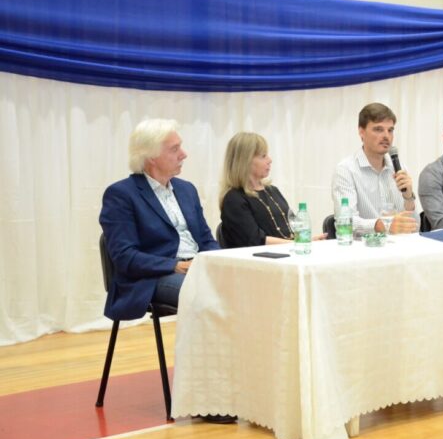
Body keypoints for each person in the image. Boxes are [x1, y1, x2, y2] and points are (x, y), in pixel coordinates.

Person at [99, 119, 219, 320]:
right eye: (175, 149)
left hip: (196, 267)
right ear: (151, 156)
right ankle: (201, 352)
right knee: (207, 296)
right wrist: (174, 265)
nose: (184, 154)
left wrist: (221, 262)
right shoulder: (121, 195)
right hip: (154, 277)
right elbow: (125, 256)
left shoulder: (186, 190)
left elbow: (206, 240)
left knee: (247, 287)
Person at [219, 132, 326, 248]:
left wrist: (308, 240)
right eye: (263, 156)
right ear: (245, 161)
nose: (270, 160)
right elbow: (255, 240)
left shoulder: (272, 191)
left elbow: (292, 228)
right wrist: (298, 244)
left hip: (287, 253)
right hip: (260, 261)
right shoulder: (234, 199)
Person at [332, 102, 418, 235]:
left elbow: (414, 226)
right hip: (363, 250)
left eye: (390, 130)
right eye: (378, 129)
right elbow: (345, 222)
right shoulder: (346, 170)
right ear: (361, 132)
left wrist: (408, 197)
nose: (386, 136)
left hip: (398, 248)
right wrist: (381, 225)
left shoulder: (399, 169)